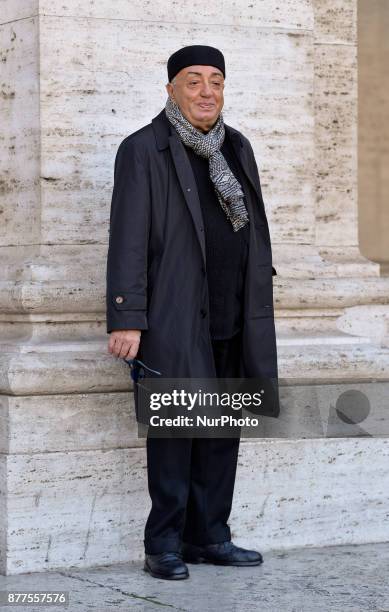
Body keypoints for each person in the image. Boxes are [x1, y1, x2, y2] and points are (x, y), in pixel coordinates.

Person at [106, 45, 279, 580]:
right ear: (171, 89)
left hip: (234, 313)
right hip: (177, 315)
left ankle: (209, 537)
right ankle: (164, 544)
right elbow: (127, 240)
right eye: (194, 81)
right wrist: (126, 316)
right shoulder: (144, 149)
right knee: (178, 430)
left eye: (217, 81)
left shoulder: (238, 146)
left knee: (222, 431)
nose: (207, 92)